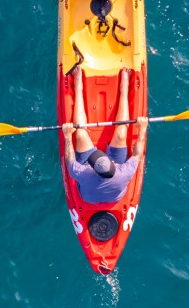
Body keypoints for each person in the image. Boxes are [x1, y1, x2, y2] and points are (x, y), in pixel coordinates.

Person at [62, 66, 147, 204]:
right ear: (112, 163)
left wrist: (67, 136)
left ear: (92, 169)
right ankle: (123, 90)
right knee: (121, 134)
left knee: (80, 135)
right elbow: (137, 155)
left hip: (88, 197)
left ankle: (78, 88)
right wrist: (142, 129)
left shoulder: (85, 174)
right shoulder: (124, 171)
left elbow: (69, 161)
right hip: (115, 194)